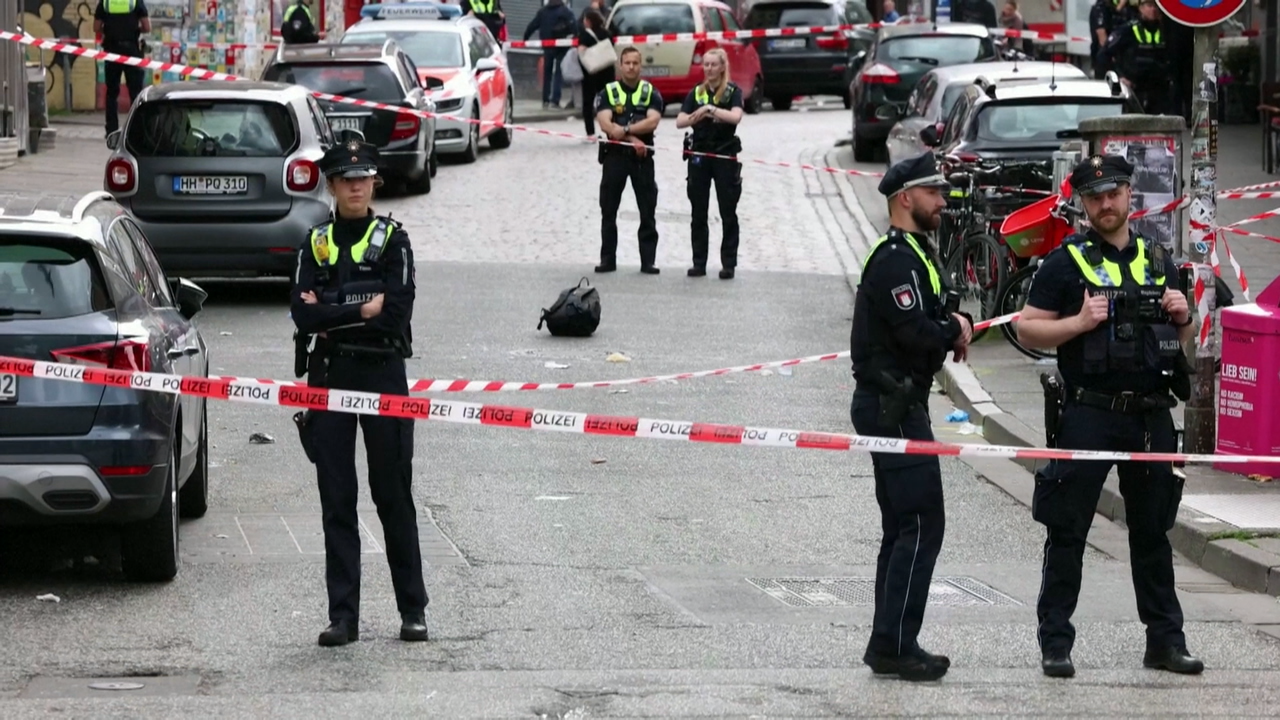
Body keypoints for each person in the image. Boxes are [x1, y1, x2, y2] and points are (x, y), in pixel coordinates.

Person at [1016, 154, 1201, 679]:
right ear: (1083, 202)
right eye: (1094, 195)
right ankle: (1056, 643)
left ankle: (1165, 642)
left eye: (1113, 192)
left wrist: (1184, 318)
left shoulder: (1159, 259)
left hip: (1149, 414)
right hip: (1090, 413)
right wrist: (1077, 322)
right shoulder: (1063, 262)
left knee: (1152, 532)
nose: (1105, 203)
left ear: (1129, 196)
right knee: (1067, 529)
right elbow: (1028, 329)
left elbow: (1180, 343)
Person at [290, 136, 429, 648]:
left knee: (392, 494)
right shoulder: (316, 241)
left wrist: (333, 307)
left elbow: (395, 312)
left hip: (382, 374)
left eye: (363, 179)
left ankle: (413, 610)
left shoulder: (394, 240)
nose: (355, 187)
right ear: (332, 185)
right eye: (347, 180)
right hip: (328, 375)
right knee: (337, 500)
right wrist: (359, 308)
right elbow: (303, 314)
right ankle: (342, 617)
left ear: (375, 183)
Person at [849, 152, 973, 682]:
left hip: (898, 401)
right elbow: (914, 331)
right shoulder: (896, 258)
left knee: (903, 525)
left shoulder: (915, 252)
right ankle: (897, 644)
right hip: (891, 405)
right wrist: (952, 331)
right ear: (906, 198)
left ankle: (889, 640)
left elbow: (929, 316)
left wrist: (954, 322)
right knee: (921, 522)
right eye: (933, 193)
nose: (942, 201)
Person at [593, 46, 663, 274]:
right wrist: (633, 137)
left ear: (640, 66)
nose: (631, 67)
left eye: (635, 63)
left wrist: (624, 129)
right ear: (619, 65)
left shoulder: (650, 91)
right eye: (627, 63)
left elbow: (652, 121)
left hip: (642, 160)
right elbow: (605, 124)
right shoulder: (608, 92)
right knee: (608, 210)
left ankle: (648, 261)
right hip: (615, 158)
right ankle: (607, 259)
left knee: (647, 210)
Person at [675, 48, 743, 280]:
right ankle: (699, 262)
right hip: (700, 156)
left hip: (724, 156)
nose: (709, 69)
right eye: (706, 65)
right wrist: (698, 114)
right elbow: (680, 121)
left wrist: (712, 110)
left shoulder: (733, 91)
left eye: (714, 65)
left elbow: (736, 116)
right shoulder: (696, 92)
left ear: (722, 67)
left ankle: (728, 264)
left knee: (728, 211)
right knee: (698, 211)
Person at [1101, 0, 1171, 114]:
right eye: (1149, 6)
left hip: (1158, 90)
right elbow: (1104, 54)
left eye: (1155, 7)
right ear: (1141, 8)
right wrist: (1120, 77)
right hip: (1134, 89)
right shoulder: (1127, 29)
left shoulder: (1165, 30)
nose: (1153, 10)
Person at [94, 0, 150, 139]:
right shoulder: (135, 2)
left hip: (111, 50)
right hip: (131, 50)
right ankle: (136, 130)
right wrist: (134, 30)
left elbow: (96, 27)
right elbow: (147, 27)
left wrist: (109, 31)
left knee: (111, 94)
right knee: (136, 93)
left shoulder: (106, 2)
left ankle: (111, 131)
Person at [523, 0, 577, 108]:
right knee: (558, 73)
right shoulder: (565, 11)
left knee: (547, 73)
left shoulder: (543, 12)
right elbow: (574, 27)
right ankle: (555, 100)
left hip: (547, 47)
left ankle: (545, 99)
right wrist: (576, 39)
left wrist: (525, 39)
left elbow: (532, 25)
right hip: (561, 46)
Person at [577, 8, 615, 138]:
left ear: (589, 21)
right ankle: (612, 129)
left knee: (588, 103)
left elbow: (581, 52)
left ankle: (590, 133)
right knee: (609, 101)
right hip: (608, 72)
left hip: (591, 74)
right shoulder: (607, 33)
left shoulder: (585, 35)